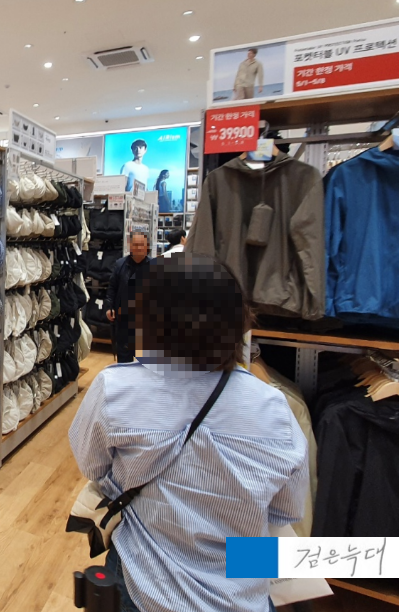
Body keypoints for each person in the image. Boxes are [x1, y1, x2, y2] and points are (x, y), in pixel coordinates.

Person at [69, 255, 308, 612]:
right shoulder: (274, 410)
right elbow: (285, 510)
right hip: (238, 596)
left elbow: (92, 465)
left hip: (144, 585)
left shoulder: (117, 390)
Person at [105, 233, 150, 363]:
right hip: (124, 320)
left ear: (147, 247)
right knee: (124, 360)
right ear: (130, 246)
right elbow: (112, 288)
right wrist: (109, 307)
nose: (139, 248)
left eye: (142, 245)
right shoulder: (120, 265)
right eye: (135, 244)